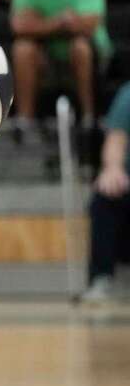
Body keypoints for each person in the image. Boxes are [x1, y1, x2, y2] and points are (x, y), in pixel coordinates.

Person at [9, 0, 111, 132]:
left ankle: (89, 119)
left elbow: (88, 25)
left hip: (88, 52)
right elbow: (19, 26)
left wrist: (41, 22)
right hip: (45, 54)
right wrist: (61, 21)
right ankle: (24, 121)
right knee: (23, 49)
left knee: (80, 46)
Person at [83, 82, 130, 303]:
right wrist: (113, 168)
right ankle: (102, 278)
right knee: (104, 196)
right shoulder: (128, 94)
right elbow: (116, 140)